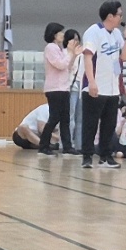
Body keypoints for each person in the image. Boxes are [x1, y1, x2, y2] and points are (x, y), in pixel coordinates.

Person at [78, 1, 126, 169]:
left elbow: (124, 57)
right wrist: (92, 83)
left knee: (109, 125)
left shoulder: (117, 34)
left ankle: (105, 156)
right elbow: (87, 58)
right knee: (90, 124)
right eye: (119, 14)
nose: (121, 17)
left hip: (112, 88)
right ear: (110, 16)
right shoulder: (93, 32)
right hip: (95, 87)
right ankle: (87, 157)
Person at [40, 22, 78, 156]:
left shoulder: (60, 49)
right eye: (60, 33)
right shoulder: (50, 48)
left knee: (65, 119)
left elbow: (69, 67)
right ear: (54, 34)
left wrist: (72, 54)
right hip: (54, 88)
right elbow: (61, 65)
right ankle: (43, 145)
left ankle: (67, 146)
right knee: (54, 117)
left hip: (64, 88)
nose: (63, 35)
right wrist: (69, 54)